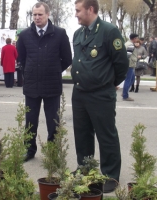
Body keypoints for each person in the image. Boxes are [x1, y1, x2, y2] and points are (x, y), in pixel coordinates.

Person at [72, 0, 129, 193]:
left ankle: (110, 175)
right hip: (79, 92)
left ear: (90, 9)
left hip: (101, 94)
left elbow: (121, 64)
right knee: (82, 134)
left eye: (78, 11)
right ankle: (85, 169)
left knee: (106, 135)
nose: (76, 14)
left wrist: (110, 83)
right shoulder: (78, 34)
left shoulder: (109, 31)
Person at [17, 2, 72, 162]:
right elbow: (22, 58)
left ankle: (53, 151)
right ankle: (29, 149)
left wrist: (54, 70)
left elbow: (67, 58)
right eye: (34, 14)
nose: (37, 17)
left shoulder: (60, 34)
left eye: (40, 14)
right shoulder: (25, 34)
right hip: (32, 86)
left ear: (48, 15)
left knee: (53, 121)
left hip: (52, 85)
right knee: (30, 121)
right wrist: (30, 71)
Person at [122, 33, 139, 101]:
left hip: (129, 64)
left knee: (132, 79)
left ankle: (124, 93)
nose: (137, 39)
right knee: (128, 80)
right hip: (130, 64)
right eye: (137, 38)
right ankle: (125, 95)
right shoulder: (131, 45)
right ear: (134, 38)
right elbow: (128, 55)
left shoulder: (126, 43)